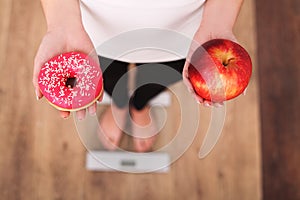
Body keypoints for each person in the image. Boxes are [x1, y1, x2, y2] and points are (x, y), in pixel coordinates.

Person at [33, 0, 243, 152]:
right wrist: (61, 22)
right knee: (109, 75)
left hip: (185, 33)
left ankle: (140, 105)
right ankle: (120, 103)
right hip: (88, 30)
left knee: (158, 77)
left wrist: (219, 22)